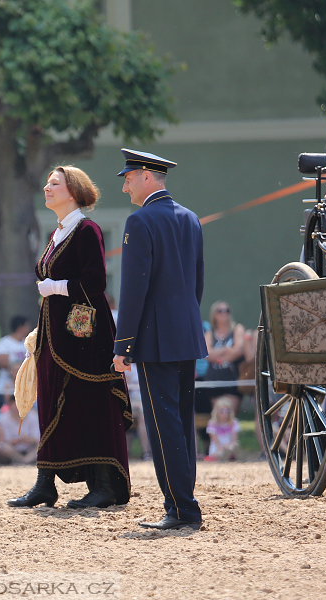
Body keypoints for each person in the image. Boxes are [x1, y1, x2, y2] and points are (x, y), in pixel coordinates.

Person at [9, 165, 132, 510]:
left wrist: (55, 287)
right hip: (55, 336)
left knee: (90, 403)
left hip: (85, 338)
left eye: (54, 184)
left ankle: (104, 485)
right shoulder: (59, 232)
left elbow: (95, 283)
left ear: (73, 191)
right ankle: (45, 484)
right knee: (51, 404)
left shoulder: (87, 229)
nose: (46, 189)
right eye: (47, 183)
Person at [112, 149, 207, 531]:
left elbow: (134, 290)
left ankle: (182, 508)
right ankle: (182, 502)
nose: (124, 186)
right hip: (185, 333)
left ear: (148, 176)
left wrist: (123, 345)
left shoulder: (141, 220)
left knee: (163, 424)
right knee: (181, 423)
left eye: (129, 177)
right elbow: (196, 284)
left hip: (154, 338)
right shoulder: (191, 218)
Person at [202, 301, 245, 415]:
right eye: (220, 311)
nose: (224, 313)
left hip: (232, 378)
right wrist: (226, 349)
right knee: (218, 416)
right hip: (214, 380)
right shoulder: (210, 332)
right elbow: (207, 353)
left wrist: (219, 358)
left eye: (227, 310)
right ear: (214, 314)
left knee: (229, 415)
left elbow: (238, 351)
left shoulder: (237, 328)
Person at [0, 316, 30, 400]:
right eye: (27, 326)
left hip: (26, 389)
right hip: (5, 388)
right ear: (20, 327)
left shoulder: (29, 344)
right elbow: (2, 363)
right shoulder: (4, 343)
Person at [0, 396, 39, 464]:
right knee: (2, 446)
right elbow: (5, 440)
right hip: (12, 450)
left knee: (42, 445)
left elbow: (36, 438)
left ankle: (25, 460)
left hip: (30, 449)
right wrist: (18, 440)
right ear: (10, 405)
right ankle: (22, 460)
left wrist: (26, 439)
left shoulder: (33, 416)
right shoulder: (3, 418)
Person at [205, 397, 240, 462]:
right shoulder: (212, 423)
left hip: (229, 447)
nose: (225, 414)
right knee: (220, 453)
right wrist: (222, 448)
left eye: (227, 411)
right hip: (217, 448)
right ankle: (225, 456)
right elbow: (214, 440)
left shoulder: (234, 423)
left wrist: (228, 446)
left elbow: (234, 439)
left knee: (234, 446)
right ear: (216, 411)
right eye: (222, 411)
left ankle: (228, 455)